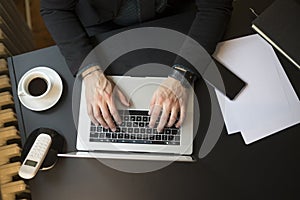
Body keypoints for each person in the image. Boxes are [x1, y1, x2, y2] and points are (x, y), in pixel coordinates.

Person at [40, 0, 233, 132]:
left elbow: (215, 7)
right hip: (102, 30)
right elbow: (54, 8)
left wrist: (182, 75)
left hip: (173, 17)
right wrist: (89, 71)